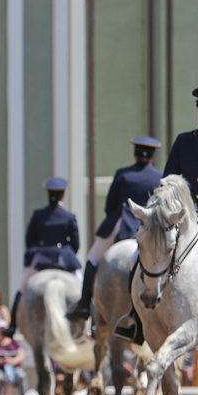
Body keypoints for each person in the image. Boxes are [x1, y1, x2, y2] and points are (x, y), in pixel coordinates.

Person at [114, 86, 198, 352]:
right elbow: (167, 182)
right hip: (184, 220)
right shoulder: (183, 141)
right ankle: (135, 318)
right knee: (136, 257)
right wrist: (161, 209)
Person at [66, 137, 163, 321]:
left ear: (135, 154)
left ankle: (84, 304)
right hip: (149, 227)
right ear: (152, 157)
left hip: (123, 221)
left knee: (93, 259)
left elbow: (110, 206)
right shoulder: (160, 177)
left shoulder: (122, 174)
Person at [2, 177, 81, 338]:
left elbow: (29, 239)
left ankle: (12, 326)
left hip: (41, 258)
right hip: (65, 258)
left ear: (48, 195)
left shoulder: (38, 215)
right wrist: (66, 254)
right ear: (63, 196)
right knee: (82, 286)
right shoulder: (69, 216)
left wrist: (37, 253)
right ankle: (91, 324)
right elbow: (75, 244)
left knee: (22, 287)